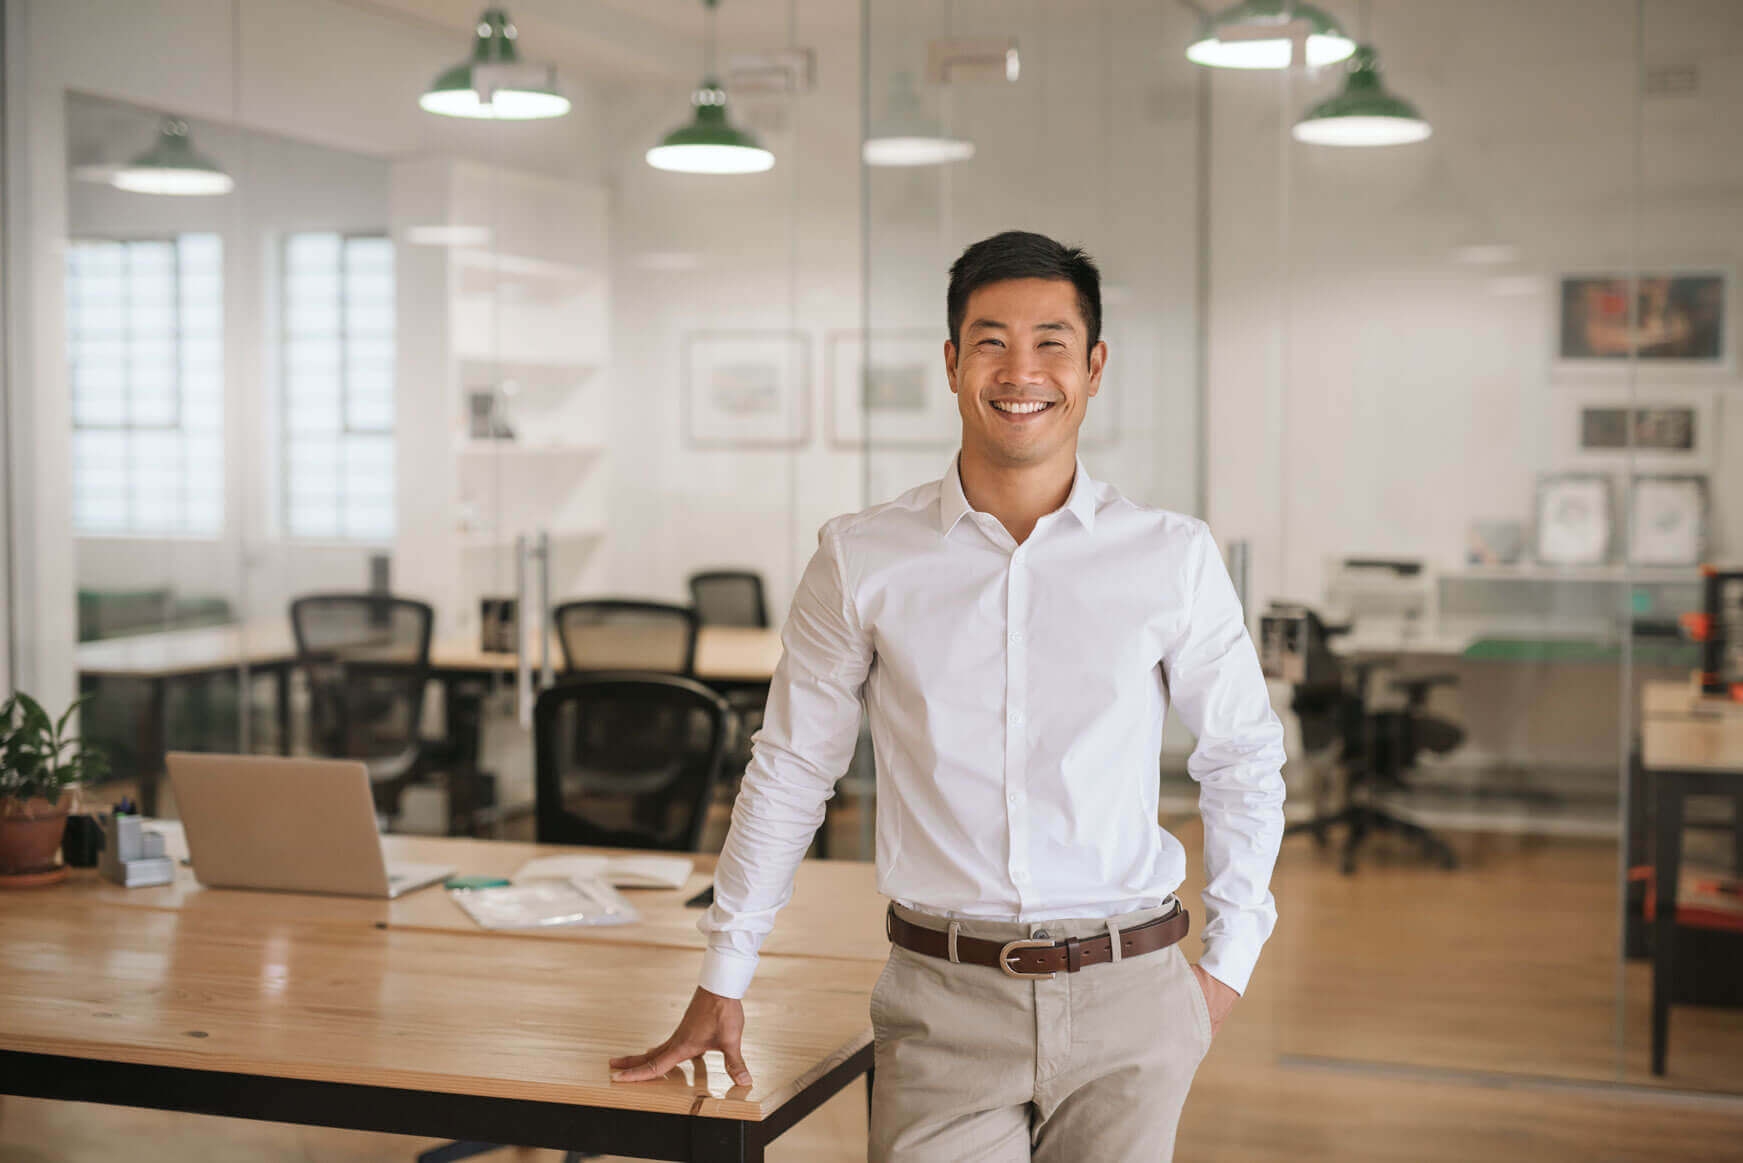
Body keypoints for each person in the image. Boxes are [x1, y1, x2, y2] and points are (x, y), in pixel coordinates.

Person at [610, 230, 1287, 1161]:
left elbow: (1242, 756)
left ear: (1092, 367)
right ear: (951, 362)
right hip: (941, 999)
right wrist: (725, 971)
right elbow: (792, 766)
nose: (1021, 370)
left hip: (1129, 994)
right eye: (990, 340)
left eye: (1051, 340)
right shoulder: (861, 555)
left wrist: (1226, 967)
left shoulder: (1170, 555)